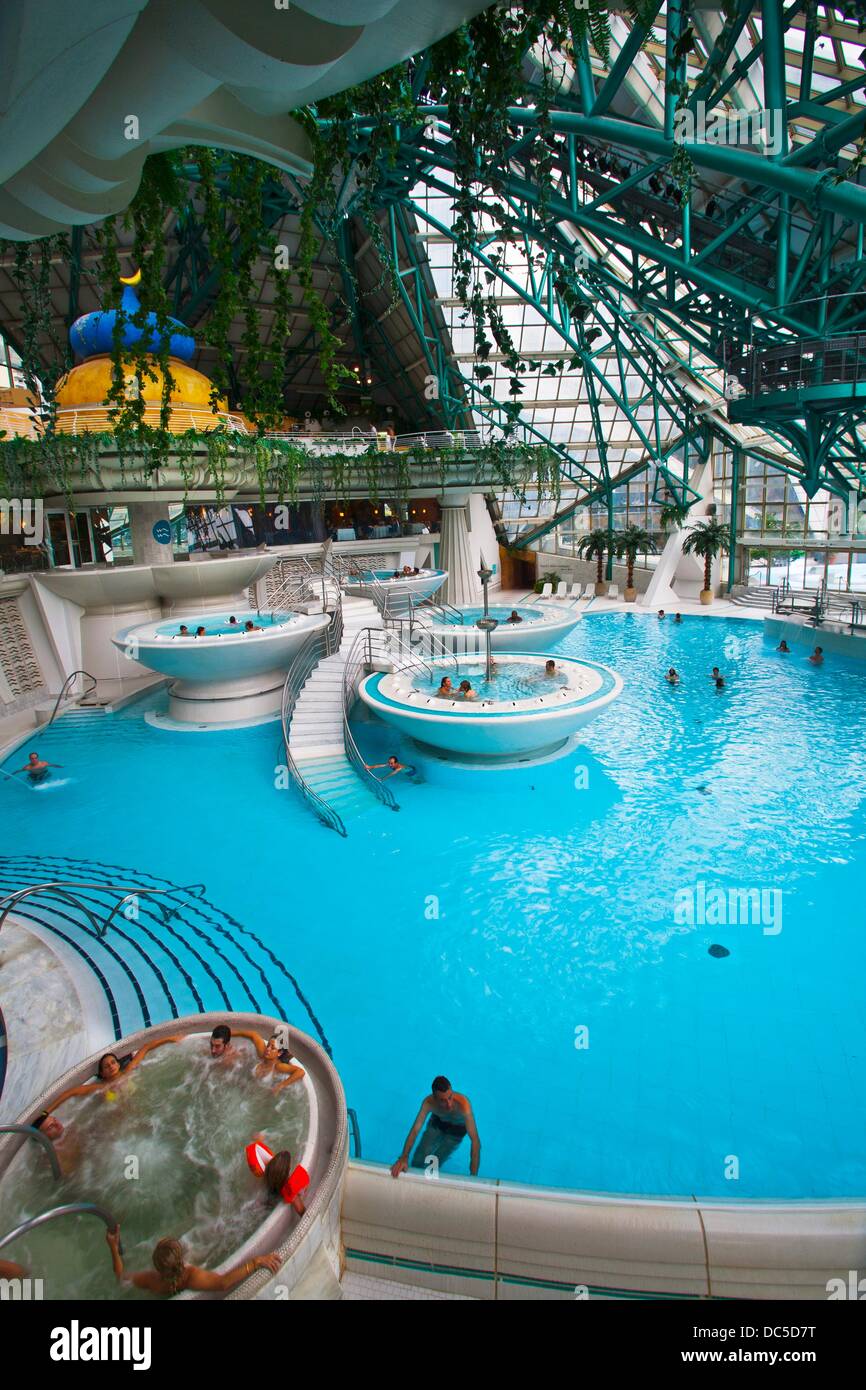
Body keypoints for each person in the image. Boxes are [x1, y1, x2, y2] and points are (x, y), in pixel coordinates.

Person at [106, 1229, 281, 1296]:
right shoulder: (191, 1276)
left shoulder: (152, 1280)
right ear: (182, 1260)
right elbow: (223, 1283)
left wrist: (113, 1247)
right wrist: (256, 1262)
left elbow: (121, 1278)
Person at [48, 1036, 182, 1111]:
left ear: (118, 1064)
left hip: (140, 1106)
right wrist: (45, 1112)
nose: (111, 1066)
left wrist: (170, 1038)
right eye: (106, 1066)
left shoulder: (128, 1071)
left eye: (113, 1062)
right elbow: (70, 1092)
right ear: (102, 1074)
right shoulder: (101, 1088)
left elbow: (146, 1047)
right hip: (118, 1117)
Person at [391, 1076, 481, 1178]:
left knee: (436, 1160)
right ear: (434, 1098)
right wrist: (404, 1157)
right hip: (438, 1122)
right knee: (419, 1158)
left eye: (450, 1097)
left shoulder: (464, 1105)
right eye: (443, 1100)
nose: (449, 1104)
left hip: (457, 1130)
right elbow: (415, 1130)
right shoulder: (429, 1103)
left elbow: (475, 1141)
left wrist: (473, 1176)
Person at [246, 1136, 309, 1214]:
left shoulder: (267, 1174)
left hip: (268, 1194)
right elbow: (301, 1210)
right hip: (275, 1199)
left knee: (255, 1205)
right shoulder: (288, 1186)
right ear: (288, 1170)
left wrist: (258, 1139)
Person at [233, 1029, 305, 1089]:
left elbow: (300, 1072)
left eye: (272, 1048)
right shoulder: (262, 1054)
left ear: (279, 1053)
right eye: (268, 1046)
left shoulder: (278, 1066)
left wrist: (280, 1086)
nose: (268, 1049)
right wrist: (228, 1034)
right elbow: (253, 1034)